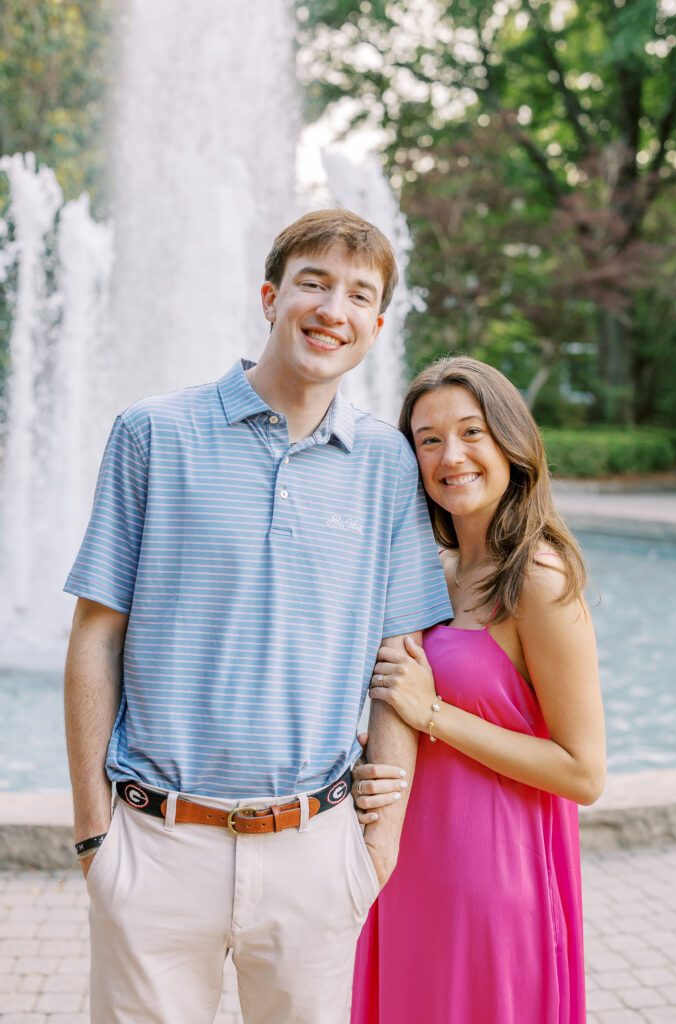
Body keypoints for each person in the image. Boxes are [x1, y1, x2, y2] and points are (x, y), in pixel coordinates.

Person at [63, 208, 454, 1024]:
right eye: (313, 283)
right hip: (156, 843)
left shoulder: (387, 464)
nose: (332, 309)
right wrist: (96, 835)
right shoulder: (152, 433)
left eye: (358, 295)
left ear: (376, 327)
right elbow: (97, 634)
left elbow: (399, 657)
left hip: (316, 854)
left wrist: (374, 851)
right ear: (271, 297)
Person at [350, 356, 606, 1024]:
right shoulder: (429, 571)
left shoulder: (537, 579)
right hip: (406, 867)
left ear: (510, 443)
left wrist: (433, 713)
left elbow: (583, 773)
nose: (450, 456)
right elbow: (405, 703)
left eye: (471, 432)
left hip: (491, 882)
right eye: (428, 439)